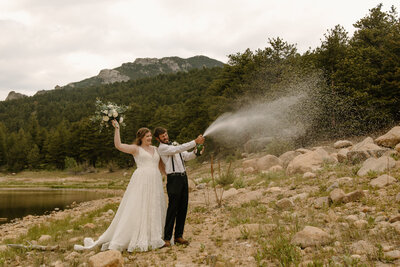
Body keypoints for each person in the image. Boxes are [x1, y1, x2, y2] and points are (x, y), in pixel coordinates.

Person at [74, 120, 167, 252]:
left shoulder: (156, 149)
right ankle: (135, 236)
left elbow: (161, 166)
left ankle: (155, 237)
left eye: (151, 136)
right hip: (141, 181)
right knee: (139, 207)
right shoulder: (136, 149)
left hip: (155, 181)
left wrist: (169, 176)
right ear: (140, 138)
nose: (150, 138)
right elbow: (118, 145)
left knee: (153, 206)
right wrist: (117, 129)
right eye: (147, 136)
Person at [154, 127, 205, 247]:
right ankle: (167, 238)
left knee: (183, 207)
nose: (165, 137)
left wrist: (196, 152)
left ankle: (178, 236)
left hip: (183, 177)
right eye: (162, 136)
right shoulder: (163, 148)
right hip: (173, 179)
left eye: (166, 134)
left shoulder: (174, 145)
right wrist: (195, 142)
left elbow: (186, 156)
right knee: (172, 208)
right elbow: (178, 149)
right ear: (158, 139)